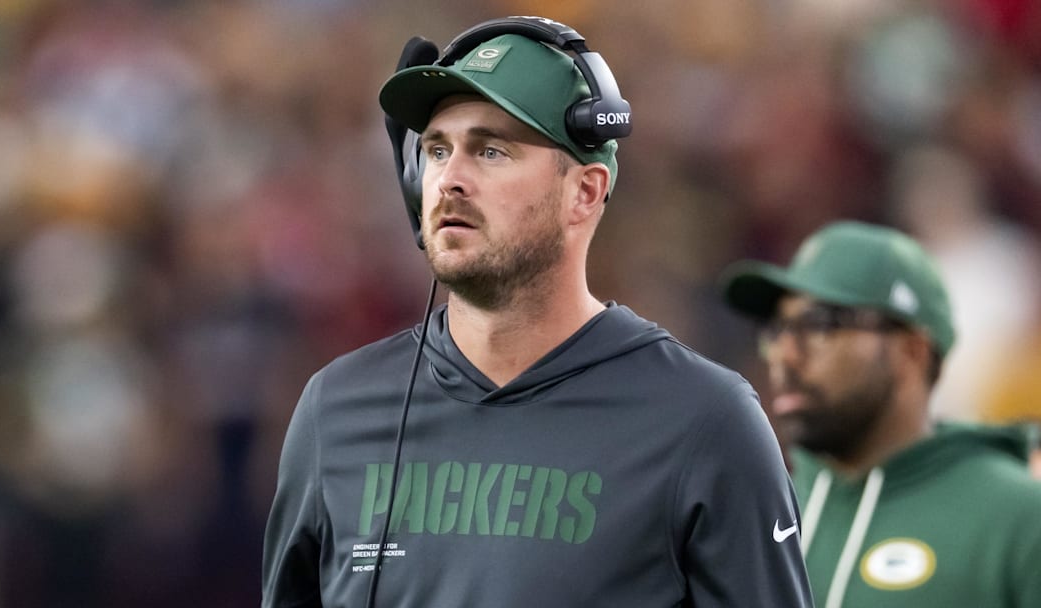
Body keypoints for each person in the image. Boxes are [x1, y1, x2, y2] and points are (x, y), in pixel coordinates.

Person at [262, 16, 812, 608]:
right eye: (437, 149)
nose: (449, 179)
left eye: (491, 150)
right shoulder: (335, 411)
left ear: (585, 191)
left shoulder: (707, 423)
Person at [719, 220, 1041, 608]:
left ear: (912, 351)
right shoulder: (756, 511)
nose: (786, 355)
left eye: (821, 325)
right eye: (778, 328)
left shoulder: (1019, 518)